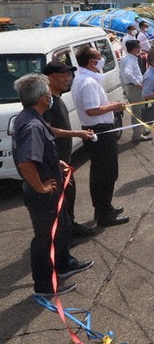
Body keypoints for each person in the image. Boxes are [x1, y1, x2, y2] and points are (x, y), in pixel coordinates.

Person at [12, 73, 94, 297]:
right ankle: (45, 285)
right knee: (45, 238)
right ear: (41, 98)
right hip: (42, 195)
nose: (51, 96)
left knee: (62, 227)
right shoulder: (32, 125)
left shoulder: (33, 118)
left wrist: (55, 161)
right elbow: (26, 161)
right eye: (48, 93)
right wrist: (40, 187)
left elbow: (38, 152)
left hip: (53, 187)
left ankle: (64, 265)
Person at [72, 45, 129, 227]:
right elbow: (92, 110)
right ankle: (103, 213)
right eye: (99, 57)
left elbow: (99, 104)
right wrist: (114, 107)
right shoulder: (87, 82)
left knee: (106, 171)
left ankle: (106, 207)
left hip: (100, 130)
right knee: (105, 172)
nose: (102, 59)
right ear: (91, 62)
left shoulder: (87, 78)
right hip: (99, 132)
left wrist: (114, 104)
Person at [41, 61, 97, 238]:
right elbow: (47, 130)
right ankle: (64, 236)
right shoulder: (48, 102)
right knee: (62, 198)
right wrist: (76, 133)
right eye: (63, 75)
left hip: (65, 159)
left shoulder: (56, 98)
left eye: (69, 75)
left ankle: (70, 226)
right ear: (50, 78)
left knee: (69, 195)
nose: (68, 79)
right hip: (56, 161)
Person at [118, 39, 152, 142]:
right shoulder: (130, 60)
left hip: (130, 87)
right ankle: (137, 136)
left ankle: (140, 131)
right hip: (134, 88)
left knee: (139, 111)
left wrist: (125, 88)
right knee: (138, 113)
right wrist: (138, 83)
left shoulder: (126, 58)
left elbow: (121, 75)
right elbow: (127, 73)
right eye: (138, 47)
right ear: (135, 49)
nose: (140, 49)